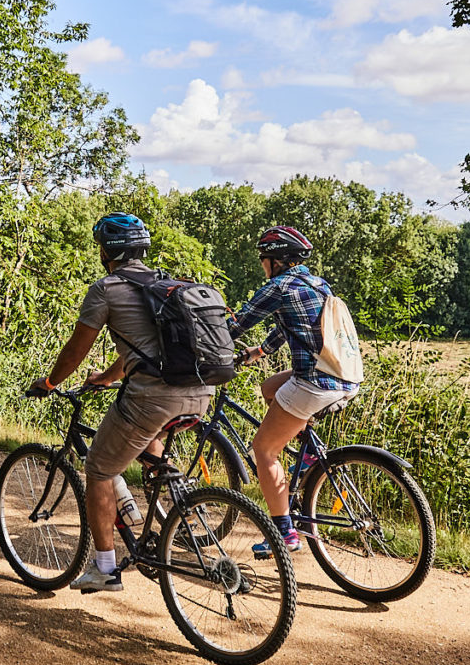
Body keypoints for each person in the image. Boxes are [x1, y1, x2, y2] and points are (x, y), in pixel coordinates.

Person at [25, 213, 218, 593]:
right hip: (201, 392)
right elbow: (148, 348)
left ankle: (105, 568)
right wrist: (110, 377)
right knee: (148, 444)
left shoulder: (106, 289)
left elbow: (76, 350)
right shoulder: (165, 284)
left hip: (153, 399)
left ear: (105, 251)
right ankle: (164, 512)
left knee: (97, 468)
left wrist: (49, 382)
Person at [226, 224, 358, 551]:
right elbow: (292, 326)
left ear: (276, 260)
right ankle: (310, 453)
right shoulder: (317, 284)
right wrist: (259, 352)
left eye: (264, 259)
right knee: (269, 386)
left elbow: (236, 325)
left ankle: (283, 534)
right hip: (343, 376)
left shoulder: (278, 287)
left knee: (264, 449)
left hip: (314, 383)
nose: (262, 265)